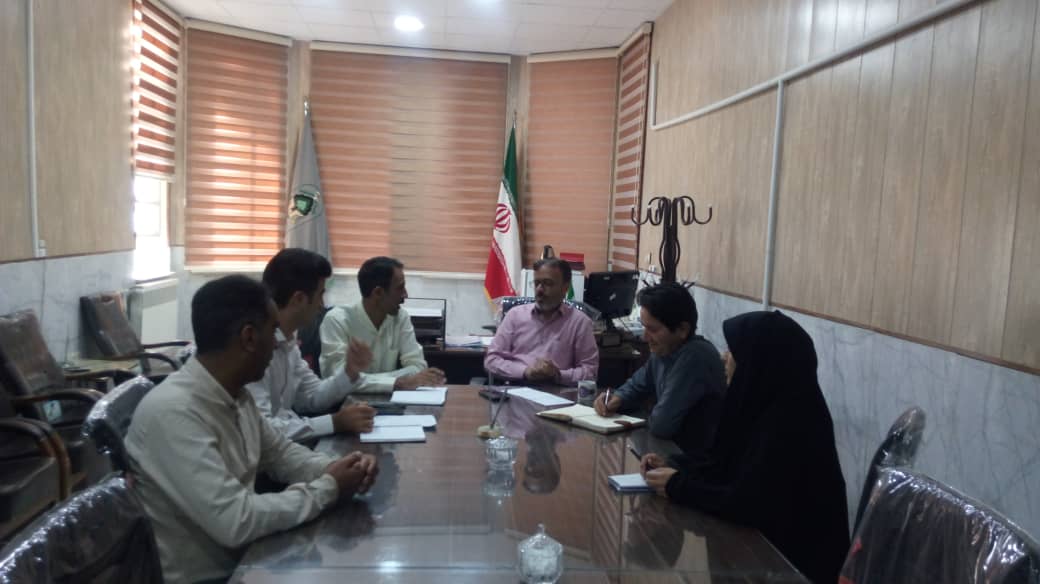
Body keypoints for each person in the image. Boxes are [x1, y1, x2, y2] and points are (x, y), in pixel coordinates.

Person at [125, 275, 379, 584]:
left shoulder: (236, 395)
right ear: (248, 338)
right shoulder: (173, 412)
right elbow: (237, 520)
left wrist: (341, 468)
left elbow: (281, 455)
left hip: (249, 559)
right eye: (273, 330)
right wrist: (329, 487)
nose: (278, 342)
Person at [639, 310, 849, 584]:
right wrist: (675, 465)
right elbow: (723, 462)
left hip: (789, 567)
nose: (724, 357)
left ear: (760, 361)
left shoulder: (792, 421)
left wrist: (678, 485)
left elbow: (747, 502)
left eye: (734, 351)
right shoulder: (763, 403)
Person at [247, 248, 376, 442]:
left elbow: (312, 397)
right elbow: (262, 430)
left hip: (285, 449)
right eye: (320, 294)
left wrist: (350, 372)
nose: (322, 305)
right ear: (299, 299)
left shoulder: (288, 341)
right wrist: (335, 422)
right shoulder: (253, 347)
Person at [594, 282, 725, 456]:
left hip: (694, 461)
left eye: (653, 329)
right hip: (669, 452)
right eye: (644, 327)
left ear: (682, 329)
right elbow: (636, 385)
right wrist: (616, 398)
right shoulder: (665, 349)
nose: (645, 336)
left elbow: (662, 424)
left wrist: (643, 413)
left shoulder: (695, 356)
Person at [320, 256, 445, 393]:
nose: (406, 295)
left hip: (389, 401)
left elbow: (418, 366)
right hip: (347, 404)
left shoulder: (400, 317)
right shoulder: (337, 320)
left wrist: (368, 380)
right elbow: (338, 379)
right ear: (378, 293)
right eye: (400, 288)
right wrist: (397, 383)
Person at [484, 257, 598, 385]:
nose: (539, 289)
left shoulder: (580, 322)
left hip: (559, 391)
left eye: (547, 283)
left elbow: (590, 371)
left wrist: (558, 374)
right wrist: (525, 371)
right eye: (536, 283)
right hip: (517, 388)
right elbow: (491, 360)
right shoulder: (515, 316)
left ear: (565, 288)